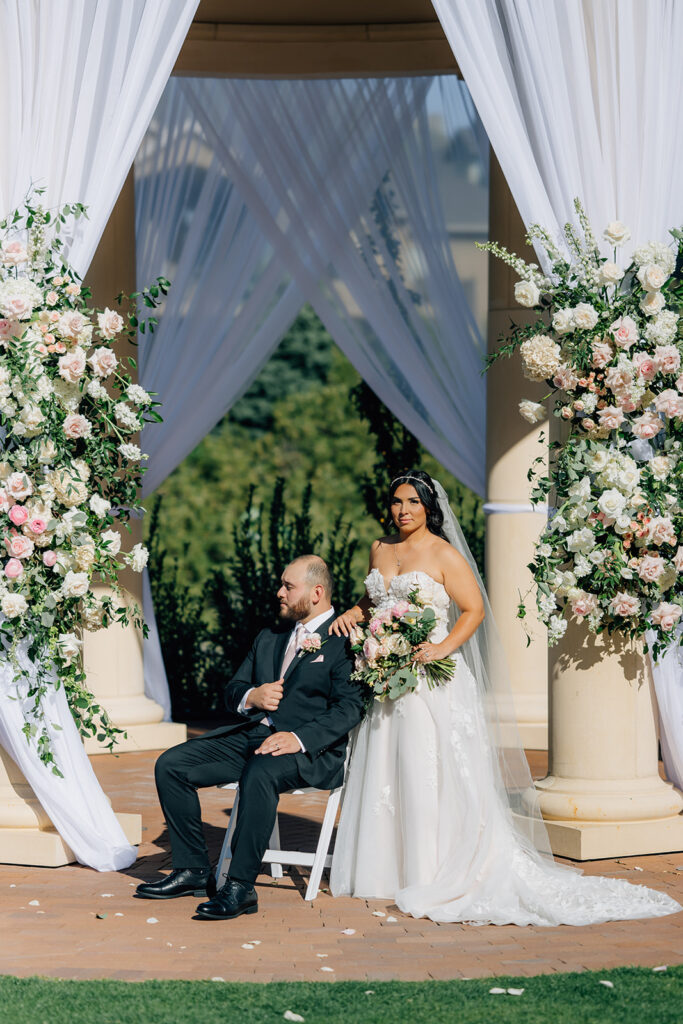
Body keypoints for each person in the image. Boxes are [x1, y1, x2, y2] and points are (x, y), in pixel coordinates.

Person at [328, 470, 681, 926]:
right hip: (387, 678)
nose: (403, 510)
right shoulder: (380, 548)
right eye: (397, 502)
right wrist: (355, 613)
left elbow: (473, 610)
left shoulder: (443, 553)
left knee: (425, 768)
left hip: (431, 678)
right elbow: (374, 598)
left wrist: (439, 648)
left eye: (412, 502)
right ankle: (385, 869)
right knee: (387, 768)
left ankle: (431, 869)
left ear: (428, 506)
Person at [136, 554, 362, 921]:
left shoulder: (345, 641)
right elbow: (233, 689)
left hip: (311, 751)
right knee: (171, 765)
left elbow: (349, 709)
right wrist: (252, 696)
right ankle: (192, 869)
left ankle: (240, 887)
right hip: (254, 737)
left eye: (289, 586)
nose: (280, 593)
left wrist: (298, 738)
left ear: (317, 592)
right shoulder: (270, 638)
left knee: (260, 771)